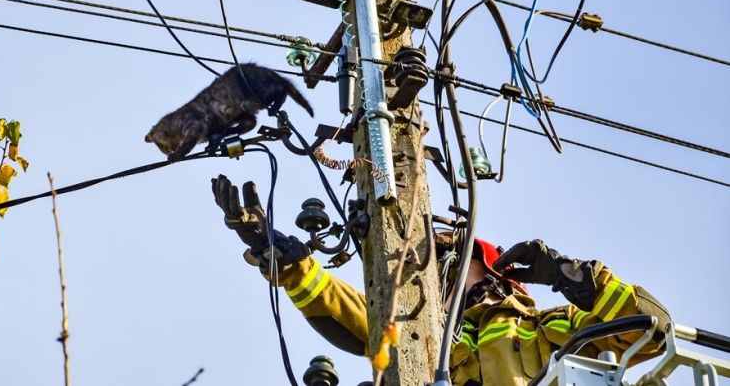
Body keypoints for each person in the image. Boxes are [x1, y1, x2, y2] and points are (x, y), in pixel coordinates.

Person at [211, 175, 671, 385]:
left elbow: (652, 334)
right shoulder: (427, 338)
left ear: (495, 270)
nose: (437, 274)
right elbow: (354, 312)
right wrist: (288, 262)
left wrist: (575, 278)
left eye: (452, 259)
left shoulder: (553, 328)